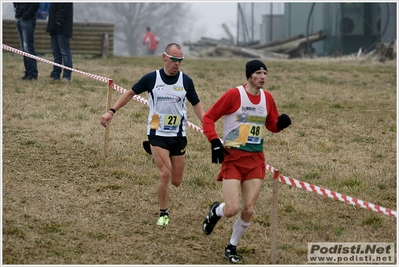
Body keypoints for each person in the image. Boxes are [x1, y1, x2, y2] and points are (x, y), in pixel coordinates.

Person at [100, 43, 205, 227]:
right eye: (174, 59)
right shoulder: (152, 78)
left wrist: (205, 121)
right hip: (157, 130)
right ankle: (163, 213)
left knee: (177, 181)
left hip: (178, 134)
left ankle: (157, 152)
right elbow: (130, 93)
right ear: (165, 57)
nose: (177, 64)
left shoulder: (186, 81)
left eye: (180, 60)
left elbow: (196, 103)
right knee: (165, 173)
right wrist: (111, 111)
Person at [201, 59, 291, 264]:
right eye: (258, 73)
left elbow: (271, 125)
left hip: (255, 159)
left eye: (265, 73)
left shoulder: (267, 98)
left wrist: (281, 124)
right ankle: (216, 211)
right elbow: (208, 118)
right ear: (249, 75)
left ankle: (231, 247)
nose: (263, 77)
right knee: (231, 209)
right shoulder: (234, 95)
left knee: (249, 209)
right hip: (232, 158)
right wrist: (215, 141)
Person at [46, 3, 73, 82]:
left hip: (62, 28)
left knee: (65, 52)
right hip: (54, 28)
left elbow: (62, 9)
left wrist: (58, 21)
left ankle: (67, 75)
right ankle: (55, 74)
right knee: (56, 53)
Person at [14, 2, 40, 80]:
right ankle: (28, 72)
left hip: (27, 19)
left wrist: (25, 15)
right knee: (24, 49)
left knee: (28, 48)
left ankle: (32, 73)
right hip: (20, 18)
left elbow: (35, 4)